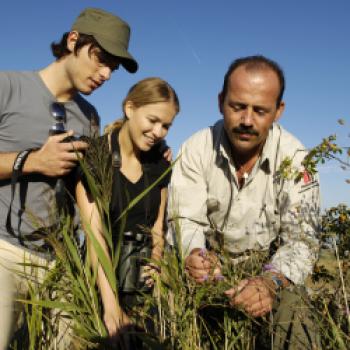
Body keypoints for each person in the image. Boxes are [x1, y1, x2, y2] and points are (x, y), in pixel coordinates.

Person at [0, 7, 138, 349]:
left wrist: (111, 307)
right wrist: (29, 161)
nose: (105, 73)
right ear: (73, 40)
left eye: (113, 67)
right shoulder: (8, 87)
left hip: (59, 265)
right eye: (100, 58)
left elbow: (89, 210)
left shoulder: (89, 118)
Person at [168, 55, 321, 349]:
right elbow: (184, 219)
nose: (247, 121)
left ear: (278, 111)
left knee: (295, 310)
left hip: (271, 271)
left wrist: (270, 282)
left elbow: (303, 238)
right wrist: (195, 255)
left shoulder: (298, 158)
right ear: (220, 101)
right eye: (237, 107)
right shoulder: (196, 148)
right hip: (210, 271)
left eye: (260, 110)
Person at [76, 77, 179, 344]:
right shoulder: (95, 155)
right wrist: (111, 310)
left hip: (142, 290)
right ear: (130, 108)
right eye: (153, 120)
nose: (158, 132)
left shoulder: (159, 163)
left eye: (166, 125)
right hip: (98, 286)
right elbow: (94, 234)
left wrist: (154, 264)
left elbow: (158, 226)